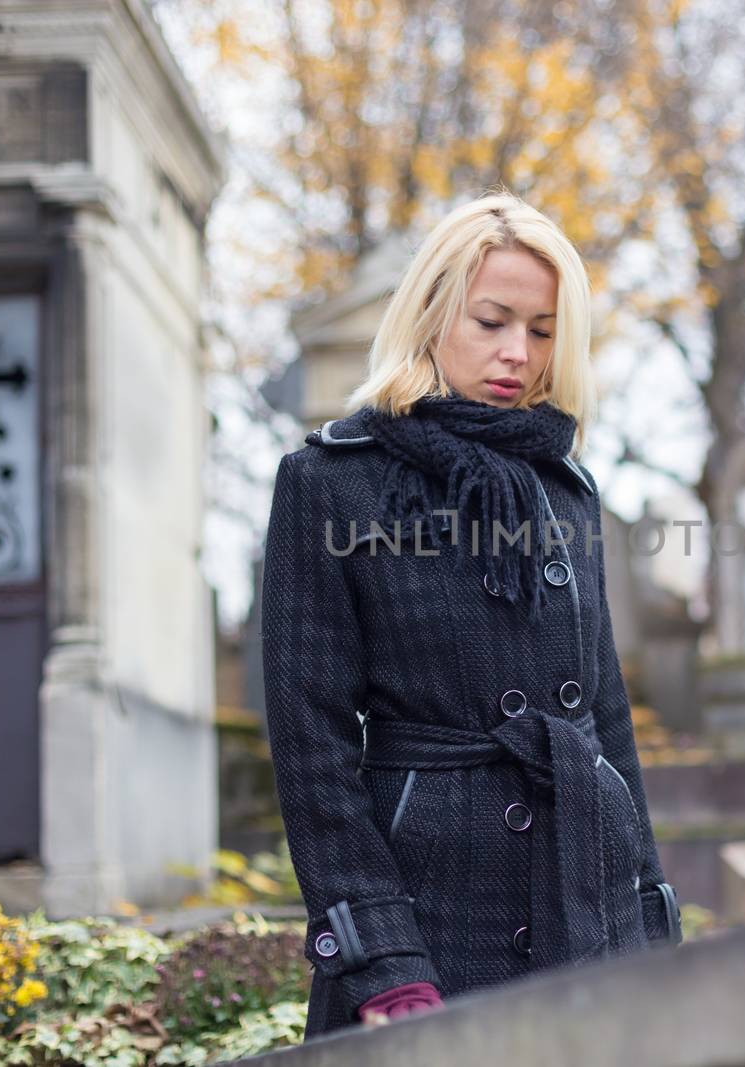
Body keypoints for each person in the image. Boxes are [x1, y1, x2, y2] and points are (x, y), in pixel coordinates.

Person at [260, 191, 682, 1040]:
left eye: (541, 328)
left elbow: (605, 722)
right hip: (432, 905)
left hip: (583, 893)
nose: (515, 353)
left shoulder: (567, 489)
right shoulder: (330, 483)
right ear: (431, 313)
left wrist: (648, 920)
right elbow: (313, 746)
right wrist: (381, 957)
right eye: (491, 320)